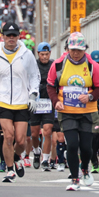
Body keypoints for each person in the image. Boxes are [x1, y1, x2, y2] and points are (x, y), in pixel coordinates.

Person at [49, 33, 99, 190]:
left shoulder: (92, 65)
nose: (75, 53)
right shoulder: (58, 65)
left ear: (84, 50)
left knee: (87, 147)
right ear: (67, 49)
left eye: (79, 50)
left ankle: (85, 169)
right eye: (72, 50)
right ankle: (75, 179)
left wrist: (90, 96)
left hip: (87, 112)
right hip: (67, 112)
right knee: (72, 145)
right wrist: (56, 102)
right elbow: (50, 86)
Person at [0, 22, 40, 183]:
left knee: (21, 140)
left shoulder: (27, 54)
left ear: (18, 37)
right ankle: (10, 170)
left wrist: (33, 95)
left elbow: (34, 76)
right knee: (8, 136)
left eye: (14, 36)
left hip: (22, 101)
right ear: (2, 37)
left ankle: (17, 157)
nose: (11, 39)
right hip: (2, 101)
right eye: (8, 36)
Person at [31, 42, 58, 171]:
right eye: (42, 54)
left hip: (48, 101)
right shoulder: (33, 65)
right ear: (38, 54)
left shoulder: (54, 65)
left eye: (47, 54)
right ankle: (36, 151)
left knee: (47, 131)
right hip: (35, 102)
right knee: (34, 133)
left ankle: (45, 160)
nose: (44, 57)